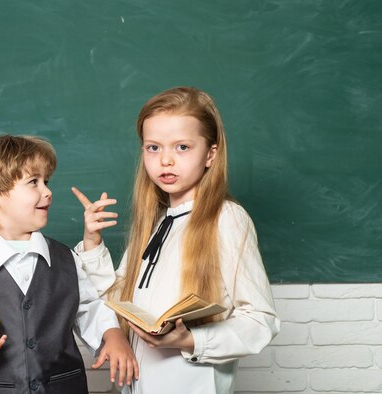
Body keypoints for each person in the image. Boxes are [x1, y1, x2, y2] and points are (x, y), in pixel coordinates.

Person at [72, 86, 280, 394]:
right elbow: (117, 303)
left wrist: (190, 340)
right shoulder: (156, 222)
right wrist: (92, 242)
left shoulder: (227, 218)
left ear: (211, 153)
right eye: (153, 148)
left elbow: (261, 321)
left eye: (182, 147)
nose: (165, 161)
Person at [0, 135, 138, 394]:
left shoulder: (67, 259)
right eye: (33, 182)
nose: (47, 191)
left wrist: (113, 335)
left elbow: (88, 307)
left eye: (46, 181)